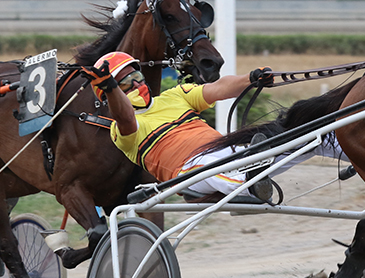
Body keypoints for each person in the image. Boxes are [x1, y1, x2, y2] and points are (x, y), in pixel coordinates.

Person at [82, 52, 343, 202]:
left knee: (305, 134)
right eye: (125, 83)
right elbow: (126, 117)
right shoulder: (120, 130)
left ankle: (353, 147)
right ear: (110, 95)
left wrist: (250, 79)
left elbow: (218, 89)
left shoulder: (175, 95)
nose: (137, 84)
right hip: (188, 172)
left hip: (232, 151)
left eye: (137, 76)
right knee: (208, 164)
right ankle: (249, 183)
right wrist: (110, 87)